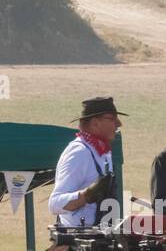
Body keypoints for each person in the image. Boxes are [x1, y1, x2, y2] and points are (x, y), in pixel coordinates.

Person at [49, 96, 125, 227]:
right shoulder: (79, 152)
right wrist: (87, 195)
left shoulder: (103, 152)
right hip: (79, 240)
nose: (119, 124)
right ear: (95, 123)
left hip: (101, 235)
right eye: (112, 119)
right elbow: (55, 204)